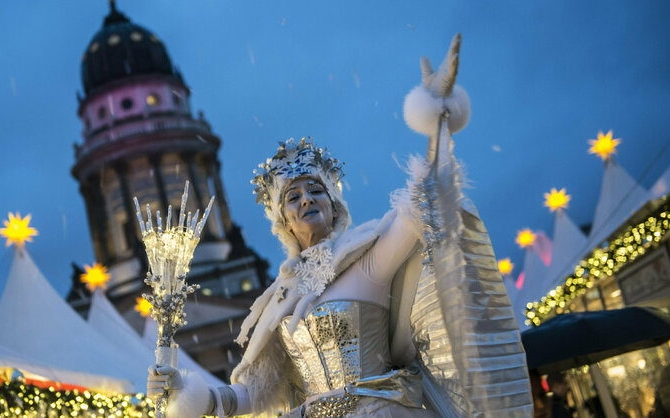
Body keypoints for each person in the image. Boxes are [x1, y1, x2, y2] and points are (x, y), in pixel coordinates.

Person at [147, 34, 533, 417]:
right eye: (293, 198)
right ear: (285, 223)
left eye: (315, 191)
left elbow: (424, 204)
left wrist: (436, 121)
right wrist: (185, 393)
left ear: (334, 206)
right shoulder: (281, 298)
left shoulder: (368, 261)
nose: (306, 200)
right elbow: (253, 393)